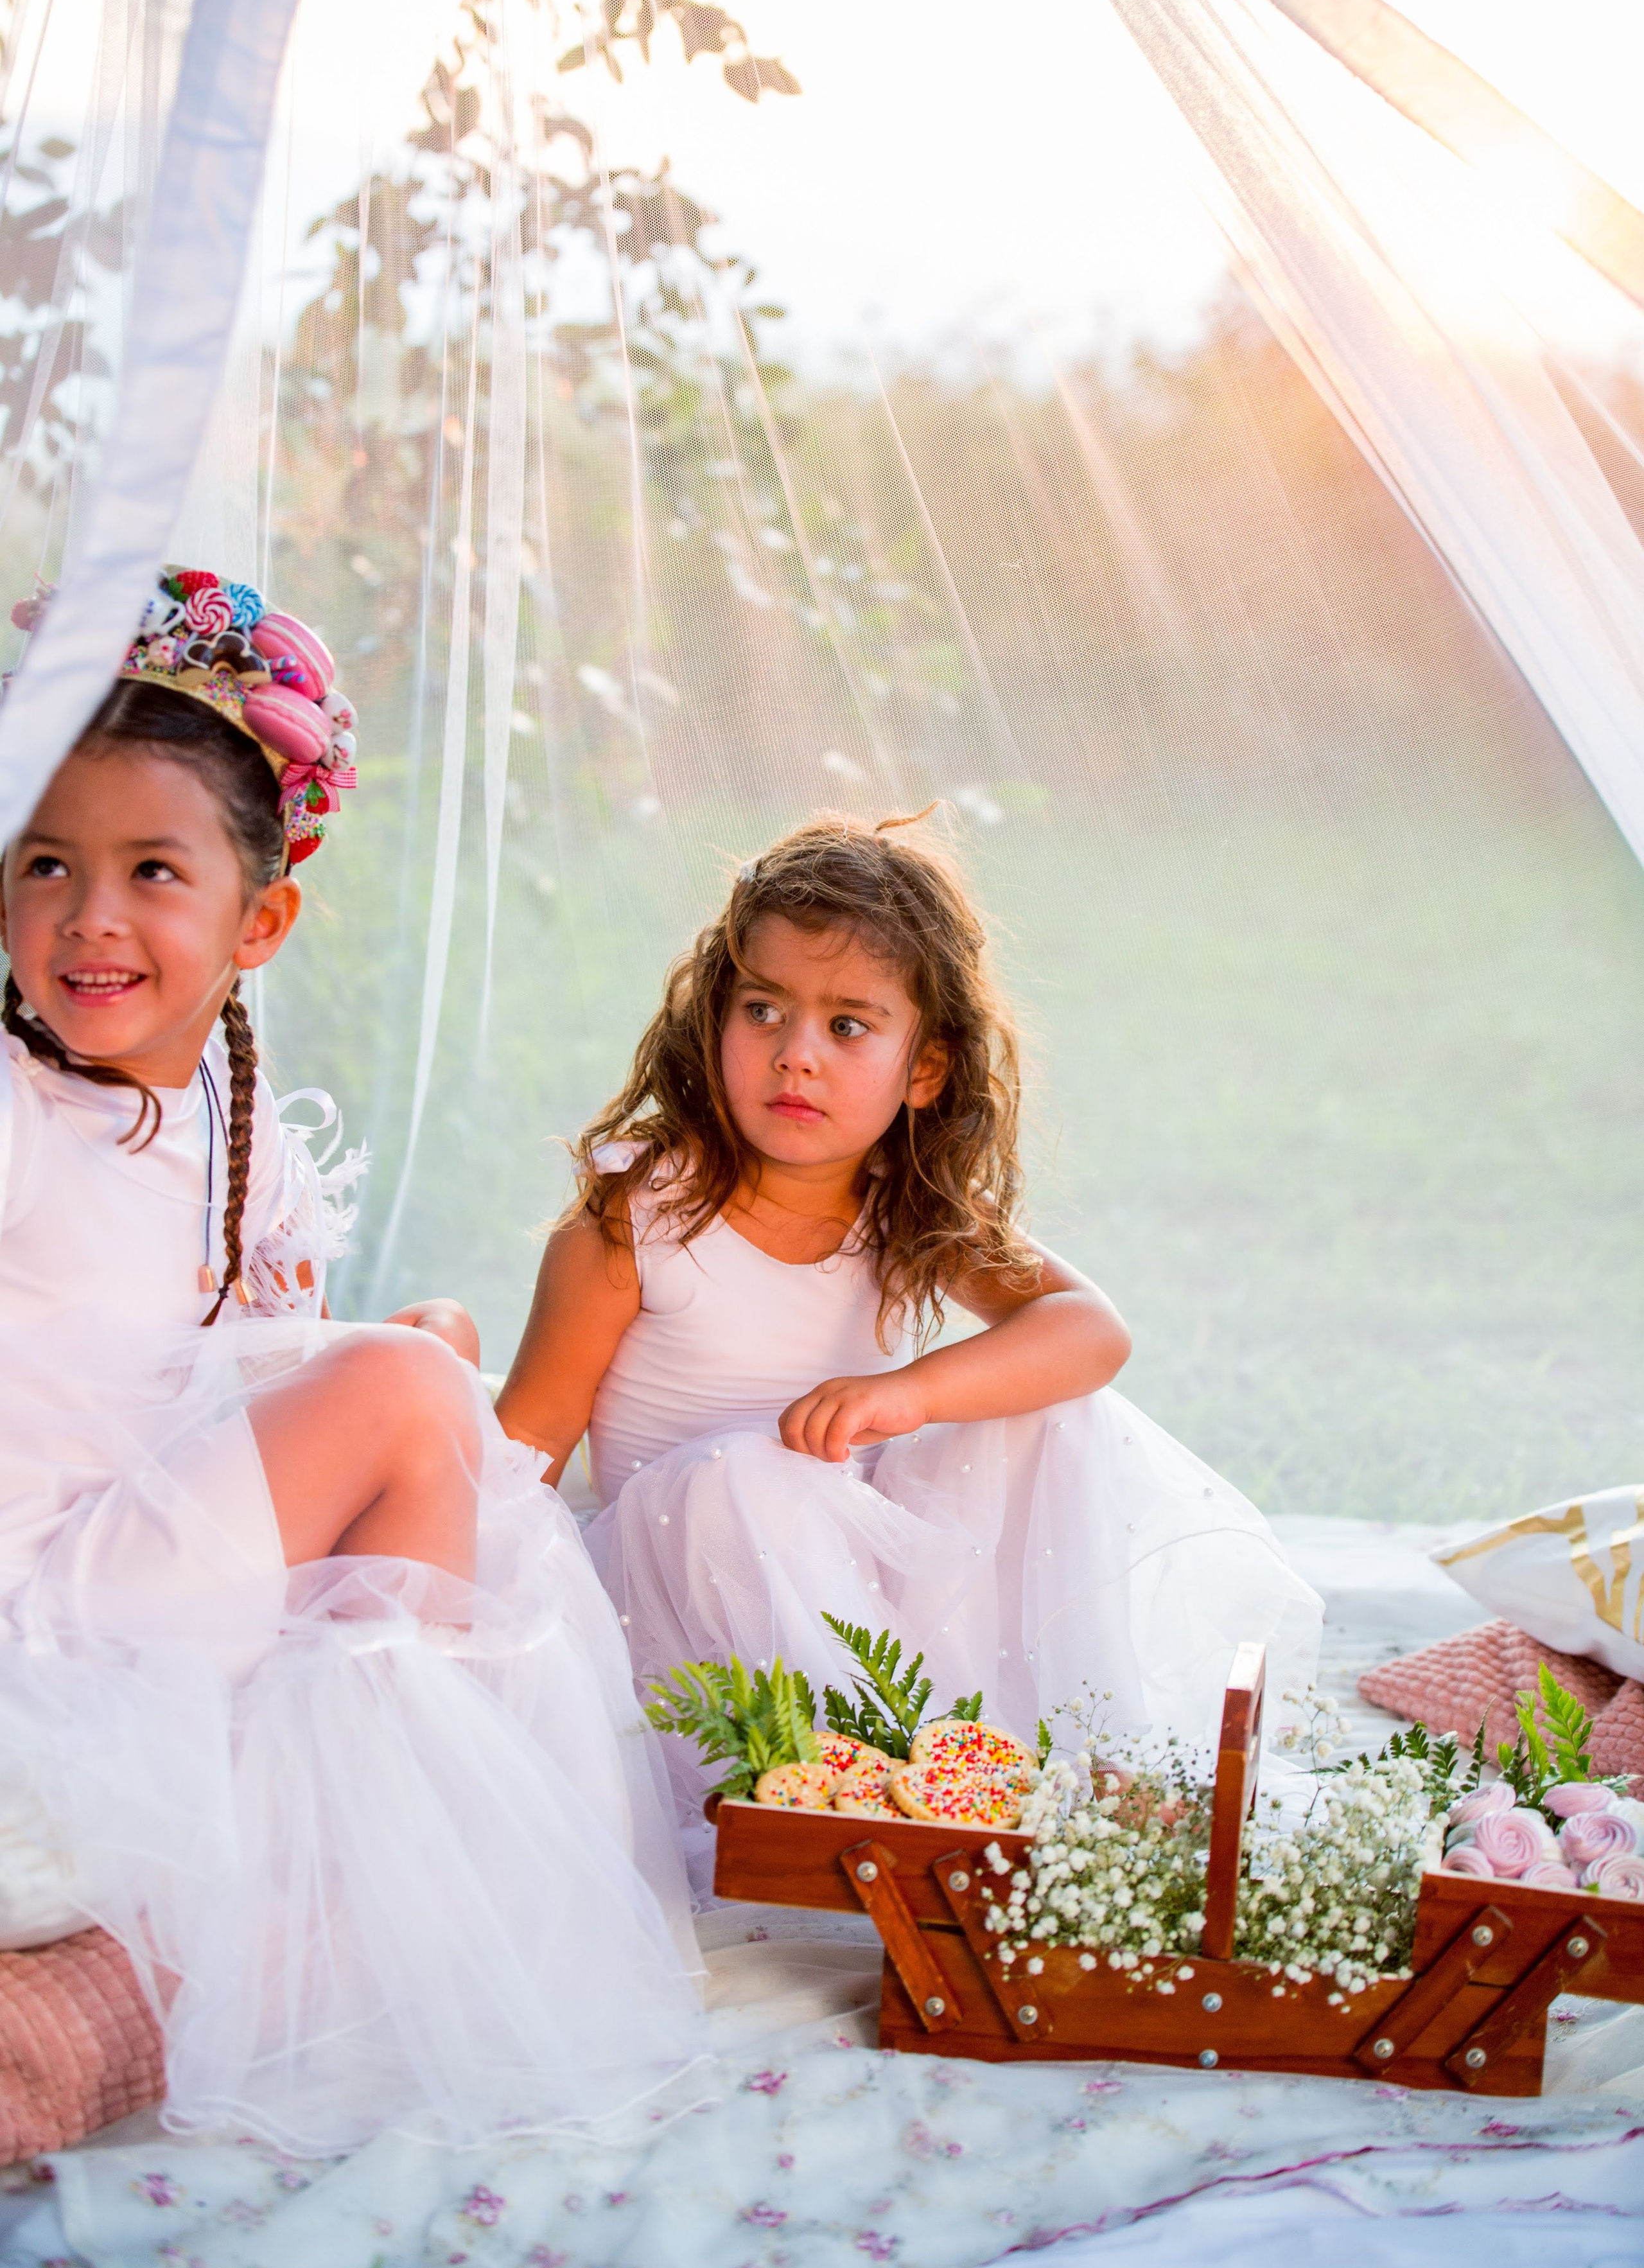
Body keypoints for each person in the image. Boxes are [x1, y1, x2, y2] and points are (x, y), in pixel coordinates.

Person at [0, 569, 704, 2156]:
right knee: (401, 1390)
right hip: (44, 1615)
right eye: (45, 863)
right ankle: (366, 1843)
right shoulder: (20, 1115)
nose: (90, 913)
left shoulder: (221, 1119)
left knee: (427, 1344)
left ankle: (355, 1837)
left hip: (124, 1553)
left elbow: (219, 1369)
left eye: (150, 869)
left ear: (258, 923)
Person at [500, 813, 1320, 1817]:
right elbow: (526, 1447)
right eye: (762, 1009)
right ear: (715, 1020)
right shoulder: (639, 1214)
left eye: (847, 1026)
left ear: (923, 1069)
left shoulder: (904, 1206)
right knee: (749, 1476)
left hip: (850, 1594)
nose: (796, 1055)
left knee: (1050, 1408)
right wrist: (486, 1635)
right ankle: (879, 1781)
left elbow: (1092, 1330)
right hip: (676, 1610)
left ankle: (1044, 1755)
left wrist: (909, 1393)